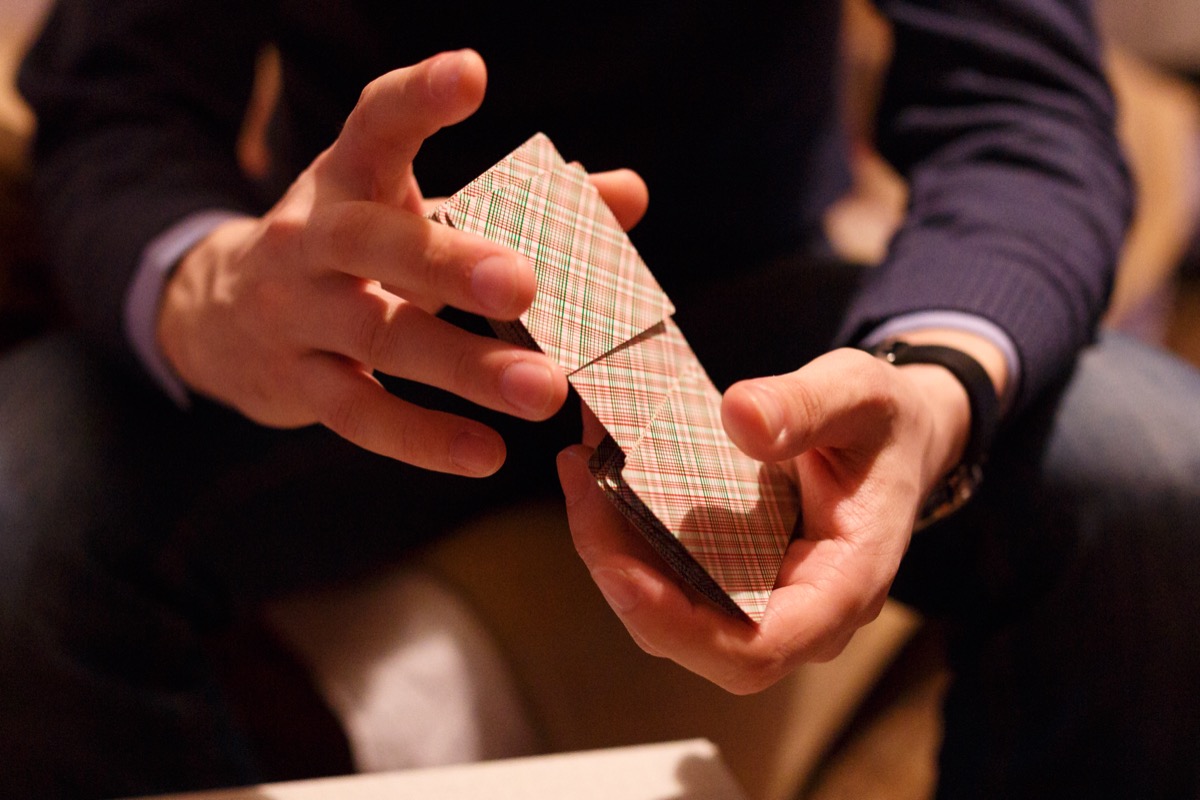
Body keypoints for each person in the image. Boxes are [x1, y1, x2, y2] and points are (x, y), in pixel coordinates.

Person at [1, 0, 1197, 797]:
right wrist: (207, 283)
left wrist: (935, 378)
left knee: (1158, 471)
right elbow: (116, 100)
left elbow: (1024, 110)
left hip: (751, 305)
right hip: (356, 304)